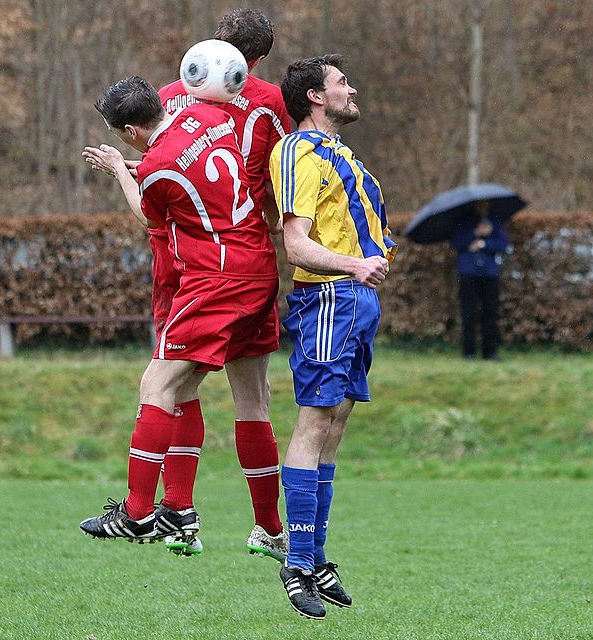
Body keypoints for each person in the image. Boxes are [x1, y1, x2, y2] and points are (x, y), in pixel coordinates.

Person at [83, 10, 291, 562]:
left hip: (205, 271)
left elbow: (151, 209)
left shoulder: (166, 141)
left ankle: (138, 512)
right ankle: (261, 527)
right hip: (255, 258)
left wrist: (125, 171)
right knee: (252, 398)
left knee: (160, 385)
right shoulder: (214, 115)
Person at [268, 54, 396, 620]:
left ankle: (314, 555)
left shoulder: (339, 153)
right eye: (342, 82)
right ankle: (295, 561)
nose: (352, 88)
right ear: (316, 97)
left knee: (335, 423)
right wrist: (353, 266)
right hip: (327, 298)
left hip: (357, 302)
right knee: (313, 420)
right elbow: (294, 245)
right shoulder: (296, 151)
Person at [450, 202, 509, 360]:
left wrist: (484, 243)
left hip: (490, 273)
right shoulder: (463, 220)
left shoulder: (495, 220)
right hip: (468, 272)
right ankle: (469, 352)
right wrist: (475, 233)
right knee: (468, 313)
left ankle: (489, 352)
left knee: (490, 312)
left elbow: (503, 244)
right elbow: (456, 242)